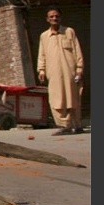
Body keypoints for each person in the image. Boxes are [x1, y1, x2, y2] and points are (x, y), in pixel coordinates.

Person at [37, 7, 85, 135]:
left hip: (70, 72)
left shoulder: (69, 32)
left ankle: (77, 125)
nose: (54, 18)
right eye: (51, 16)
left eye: (56, 16)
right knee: (57, 99)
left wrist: (79, 69)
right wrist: (41, 70)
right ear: (47, 19)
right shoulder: (44, 36)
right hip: (53, 73)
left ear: (60, 18)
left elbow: (77, 51)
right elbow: (42, 54)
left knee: (72, 98)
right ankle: (65, 126)